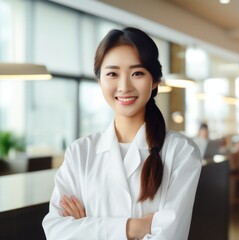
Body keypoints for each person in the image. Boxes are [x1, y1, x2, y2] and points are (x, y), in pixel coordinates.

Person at [42, 27, 202, 240]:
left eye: (137, 73)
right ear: (100, 81)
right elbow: (56, 231)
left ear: (155, 81)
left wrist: (89, 227)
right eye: (112, 74)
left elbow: (170, 236)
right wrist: (135, 227)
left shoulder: (180, 151)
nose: (124, 86)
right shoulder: (80, 152)